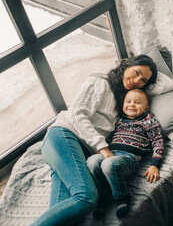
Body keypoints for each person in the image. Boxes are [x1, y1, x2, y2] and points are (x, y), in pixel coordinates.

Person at [30, 54, 158, 226]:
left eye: (143, 80)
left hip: (77, 153)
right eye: (136, 72)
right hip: (64, 136)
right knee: (87, 198)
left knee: (68, 218)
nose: (137, 80)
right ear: (126, 64)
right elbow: (77, 115)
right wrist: (103, 149)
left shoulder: (124, 101)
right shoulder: (100, 82)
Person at [87, 88, 163, 219]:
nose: (132, 104)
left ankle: (122, 197)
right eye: (128, 101)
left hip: (129, 158)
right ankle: (103, 197)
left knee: (109, 164)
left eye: (138, 102)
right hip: (111, 153)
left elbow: (158, 141)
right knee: (92, 161)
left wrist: (154, 164)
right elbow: (110, 138)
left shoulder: (148, 119)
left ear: (146, 108)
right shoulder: (119, 120)